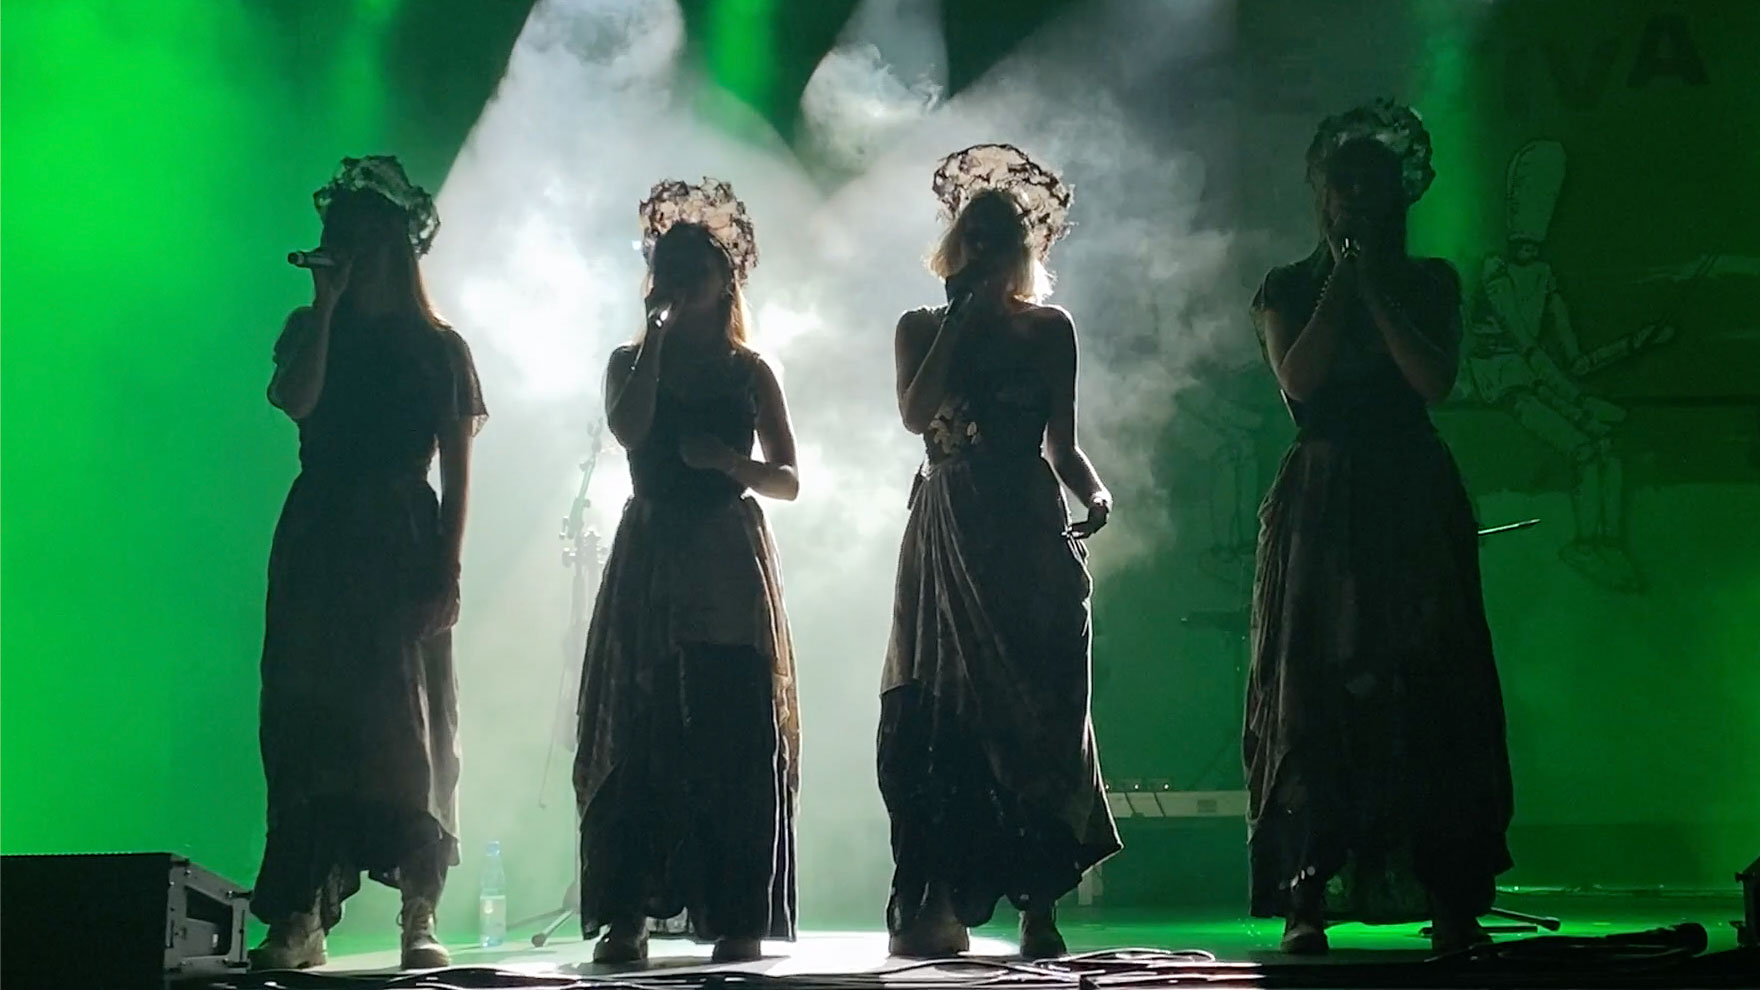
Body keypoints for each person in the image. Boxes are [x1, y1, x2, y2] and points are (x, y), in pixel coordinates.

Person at [1243, 101, 1514, 955]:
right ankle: (1305, 893)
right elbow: (1302, 381)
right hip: (1324, 497)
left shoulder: (1431, 280)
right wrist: (1339, 284)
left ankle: (1452, 895)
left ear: (1398, 196)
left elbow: (1433, 381)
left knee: (1432, 681)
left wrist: (1373, 287)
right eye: (1341, 185)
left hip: (1410, 491)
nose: (1355, 199)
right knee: (1314, 687)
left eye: (1372, 185)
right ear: (1322, 198)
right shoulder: (1286, 287)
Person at [880, 144, 1119, 960]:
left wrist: (1097, 494)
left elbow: (1065, 445)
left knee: (1040, 713)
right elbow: (916, 415)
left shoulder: (1051, 330)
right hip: (951, 528)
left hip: (1023, 524)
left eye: (999, 237)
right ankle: (942, 897)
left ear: (1024, 250)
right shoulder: (920, 327)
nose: (983, 251)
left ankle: (1038, 903)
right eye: (971, 237)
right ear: (954, 248)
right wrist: (960, 322)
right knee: (949, 714)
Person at [251, 156, 486, 971]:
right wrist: (325, 307)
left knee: (408, 723)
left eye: (351, 235)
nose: (336, 246)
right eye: (330, 235)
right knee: (307, 719)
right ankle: (299, 917)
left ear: (388, 243)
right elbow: (296, 401)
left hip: (397, 531)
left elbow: (458, 470)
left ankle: (419, 910)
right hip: (321, 528)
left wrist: (446, 571)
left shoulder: (438, 348)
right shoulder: (310, 326)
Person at [573, 178, 801, 965]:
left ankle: (737, 913)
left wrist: (731, 460)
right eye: (664, 268)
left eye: (691, 269)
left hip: (725, 556)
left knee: (732, 730)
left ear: (723, 279)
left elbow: (789, 478)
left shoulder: (750, 370)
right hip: (652, 551)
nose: (676, 282)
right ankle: (628, 910)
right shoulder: (629, 360)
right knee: (642, 731)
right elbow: (627, 428)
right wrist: (654, 343)